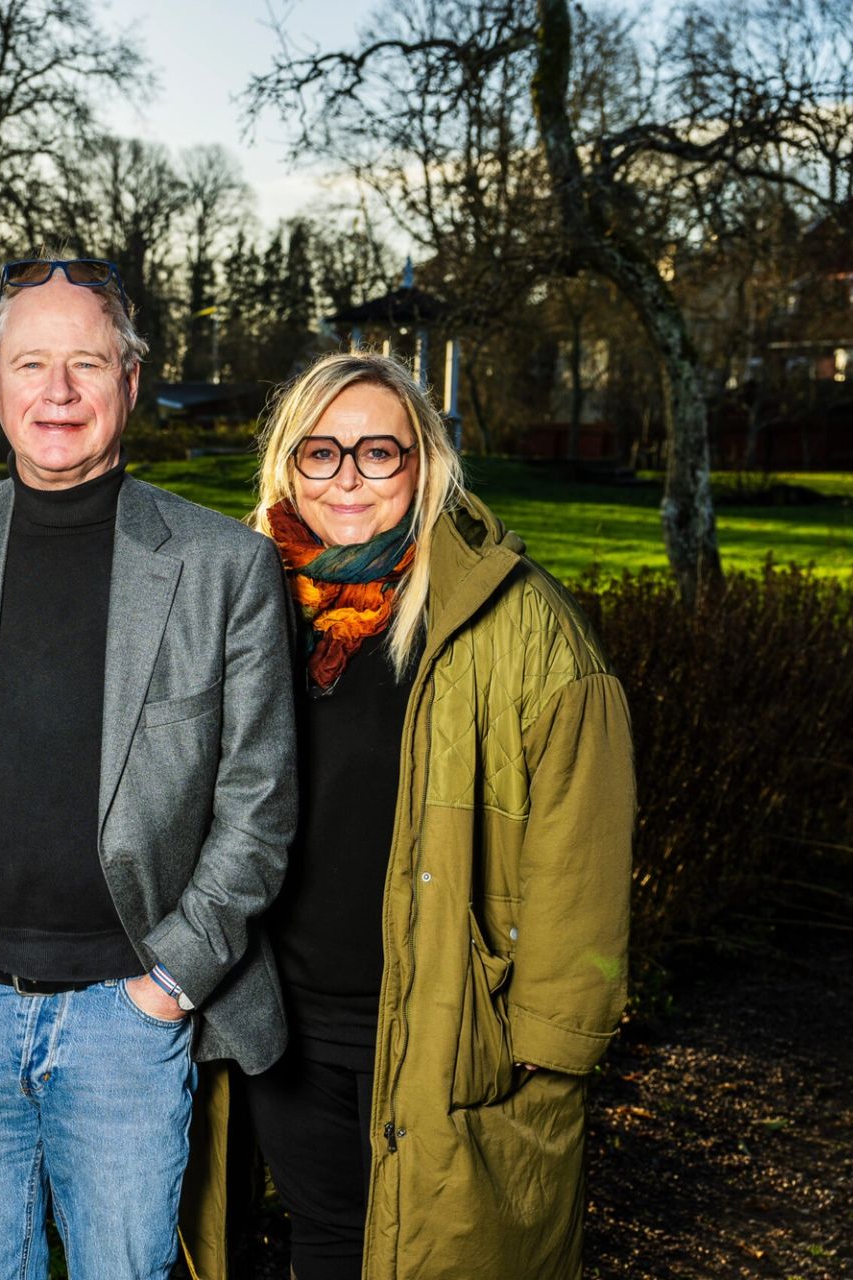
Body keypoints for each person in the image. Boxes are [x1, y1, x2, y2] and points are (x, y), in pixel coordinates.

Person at [0, 255, 297, 1279]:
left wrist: (170, 979)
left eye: (86, 363)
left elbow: (259, 806)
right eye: (32, 363)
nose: (58, 391)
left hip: (124, 1017)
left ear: (130, 383)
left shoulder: (222, 564)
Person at [241, 350, 634, 1278]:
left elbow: (582, 850)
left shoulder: (519, 623)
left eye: (379, 452)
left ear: (426, 465)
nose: (347, 478)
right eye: (320, 452)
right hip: (287, 1024)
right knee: (329, 1246)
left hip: (448, 1024)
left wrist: (552, 1046)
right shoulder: (250, 605)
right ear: (287, 467)